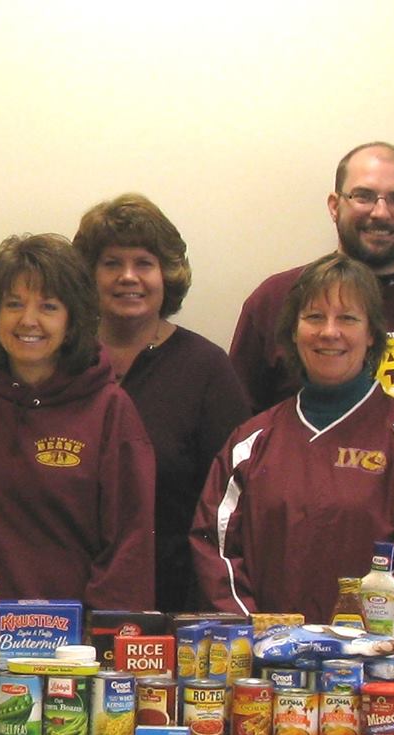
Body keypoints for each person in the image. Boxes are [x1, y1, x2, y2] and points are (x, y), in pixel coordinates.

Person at [190, 254, 394, 624]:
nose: (329, 332)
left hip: (370, 669)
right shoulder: (251, 442)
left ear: (372, 334)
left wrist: (364, 649)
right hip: (266, 665)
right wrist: (262, 636)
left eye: (347, 318)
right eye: (314, 317)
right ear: (293, 333)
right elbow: (213, 550)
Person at [229, 142, 394, 442]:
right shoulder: (277, 300)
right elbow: (238, 434)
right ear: (335, 205)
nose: (380, 212)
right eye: (364, 196)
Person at [0, 233, 157, 609]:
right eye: (13, 304)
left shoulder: (110, 410)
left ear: (73, 320)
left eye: (48, 306)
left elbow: (129, 548)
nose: (28, 320)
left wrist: (99, 637)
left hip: (75, 647)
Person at [75, 193, 251, 612]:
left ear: (166, 274)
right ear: (87, 275)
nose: (128, 277)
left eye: (144, 263)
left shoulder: (207, 371)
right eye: (112, 263)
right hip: (69, 603)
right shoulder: (65, 364)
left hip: (180, 603)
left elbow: (235, 504)